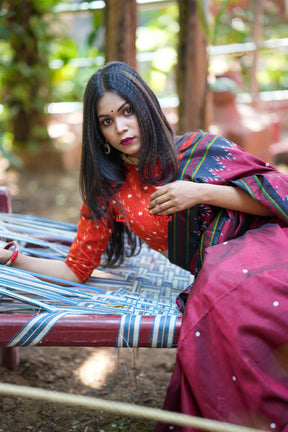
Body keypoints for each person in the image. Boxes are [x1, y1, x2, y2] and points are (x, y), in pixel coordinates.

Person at [1, 61, 288, 430]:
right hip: (219, 274)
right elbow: (75, 269)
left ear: (145, 108)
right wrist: (10, 257)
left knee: (239, 290)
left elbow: (274, 198)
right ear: (97, 132)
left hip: (266, 248)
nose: (120, 127)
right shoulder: (109, 194)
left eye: (127, 111)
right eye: (106, 121)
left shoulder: (198, 149)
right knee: (223, 292)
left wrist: (198, 191)